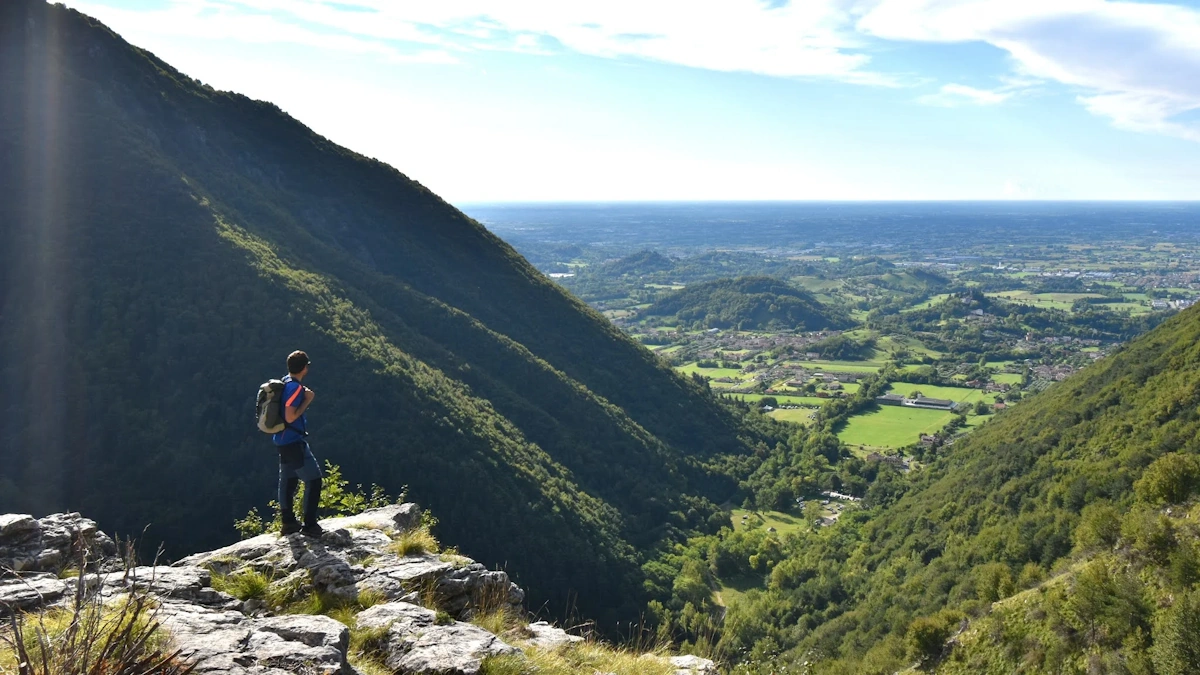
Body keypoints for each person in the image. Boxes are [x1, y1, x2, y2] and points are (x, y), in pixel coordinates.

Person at [273, 350, 324, 537]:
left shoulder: (285, 381)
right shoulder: (295, 388)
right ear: (305, 368)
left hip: (281, 440)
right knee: (314, 480)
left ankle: (288, 523)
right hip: (293, 441)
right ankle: (309, 525)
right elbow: (290, 415)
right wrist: (307, 400)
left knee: (288, 480)